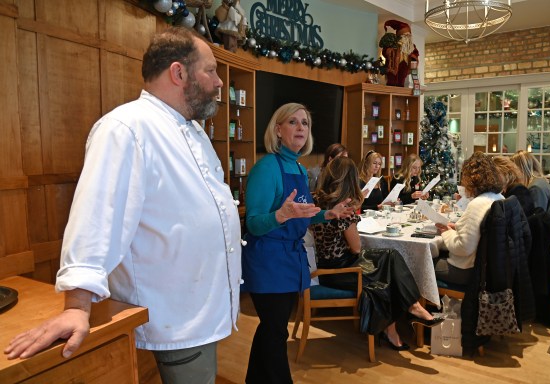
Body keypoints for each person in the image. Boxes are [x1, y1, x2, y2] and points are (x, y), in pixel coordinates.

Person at [4, 27, 240, 384]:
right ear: (179, 73)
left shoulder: (194, 133)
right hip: (172, 314)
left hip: (202, 306)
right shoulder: (126, 127)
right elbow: (97, 217)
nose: (219, 83)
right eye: (211, 70)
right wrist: (77, 307)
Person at [241, 103, 354, 384]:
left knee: (273, 329)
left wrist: (328, 214)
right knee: (275, 329)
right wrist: (280, 215)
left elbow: (300, 217)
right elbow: (254, 223)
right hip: (267, 261)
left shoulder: (300, 170)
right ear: (278, 130)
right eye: (293, 122)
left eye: (305, 123)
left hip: (291, 260)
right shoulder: (266, 168)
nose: (301, 128)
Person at [312, 157, 443, 351]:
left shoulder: (318, 199)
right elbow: (356, 248)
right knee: (388, 270)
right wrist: (355, 214)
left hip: (332, 263)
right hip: (338, 271)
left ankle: (411, 311)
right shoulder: (342, 208)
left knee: (391, 256)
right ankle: (404, 317)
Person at [435, 152, 505, 285]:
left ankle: (422, 304)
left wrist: (446, 232)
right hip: (491, 269)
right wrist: (458, 228)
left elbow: (463, 248)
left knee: (421, 263)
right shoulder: (499, 198)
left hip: (467, 270)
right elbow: (479, 231)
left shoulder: (478, 204)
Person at [511, 150, 550, 214]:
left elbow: (536, 218)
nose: (513, 174)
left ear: (521, 169)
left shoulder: (535, 188)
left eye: (513, 170)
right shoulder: (540, 180)